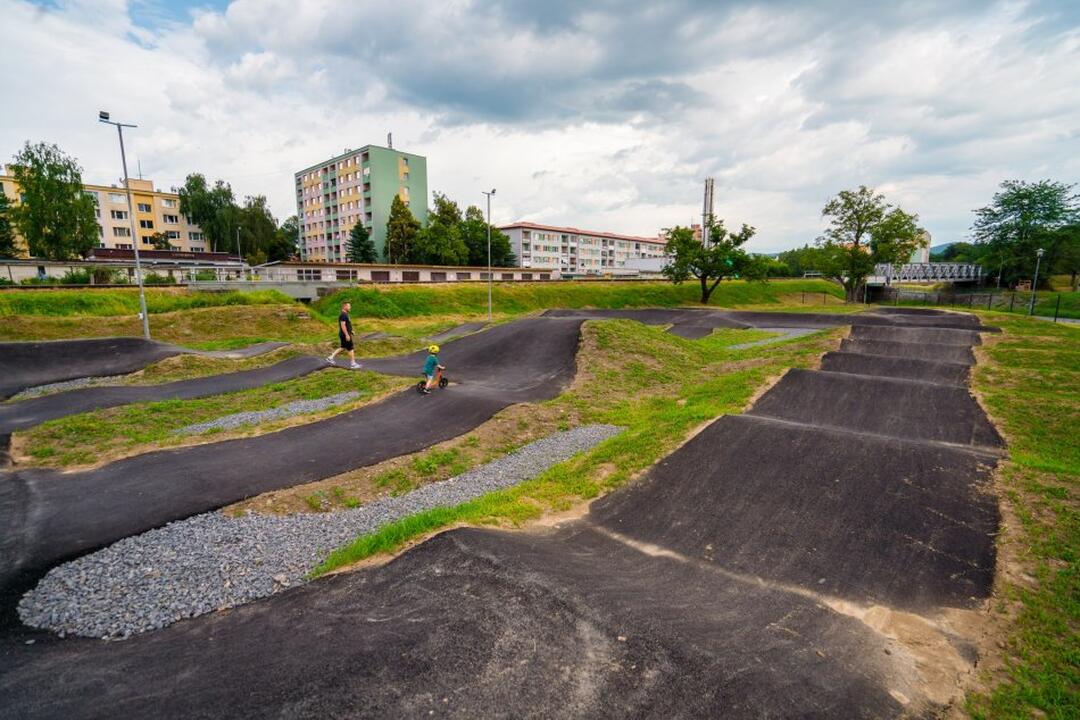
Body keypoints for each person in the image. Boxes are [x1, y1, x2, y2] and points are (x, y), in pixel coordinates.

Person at [327, 301, 361, 369]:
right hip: (345, 335)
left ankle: (330, 358)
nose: (350, 307)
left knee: (342, 347)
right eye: (349, 306)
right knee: (351, 348)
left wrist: (351, 331)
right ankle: (353, 364)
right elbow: (343, 325)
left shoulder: (345, 314)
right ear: (345, 306)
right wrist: (347, 335)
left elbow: (347, 324)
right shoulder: (343, 315)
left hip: (345, 334)